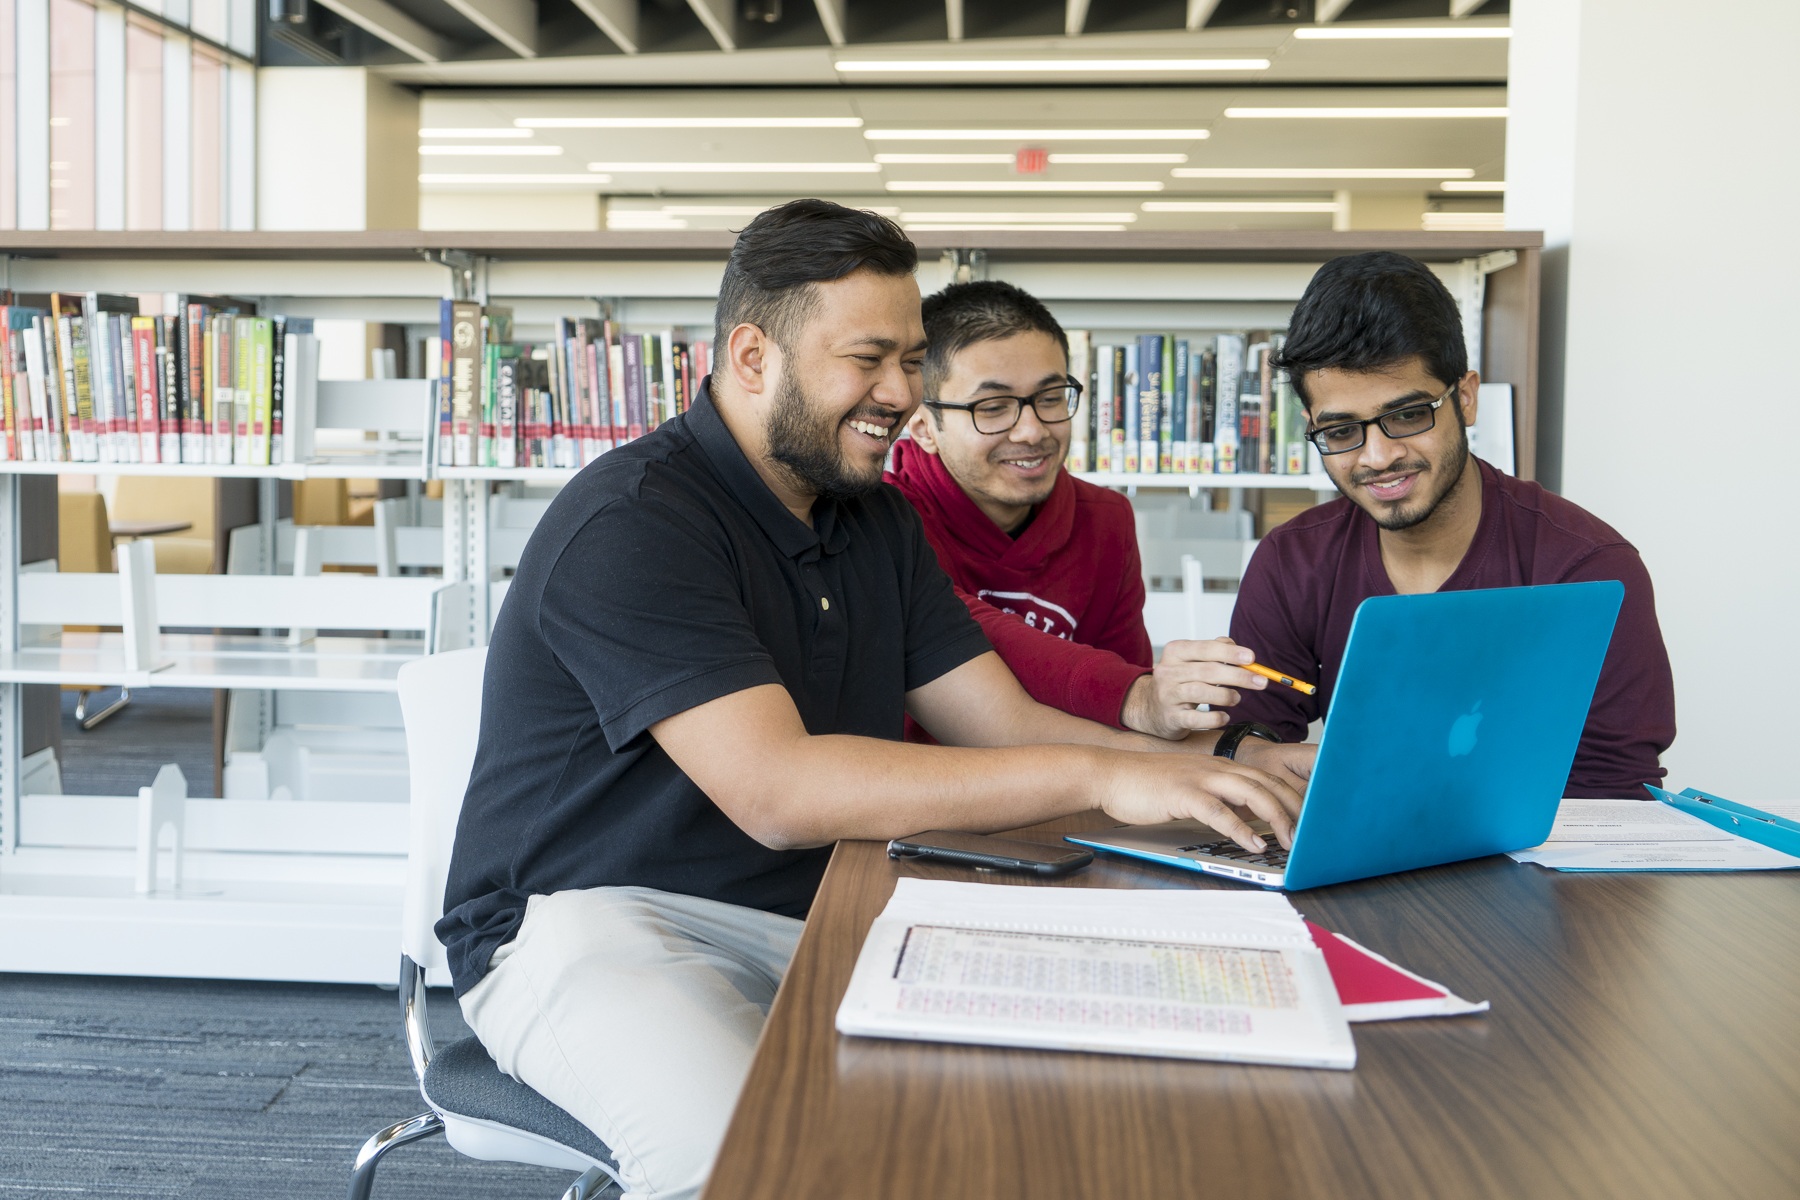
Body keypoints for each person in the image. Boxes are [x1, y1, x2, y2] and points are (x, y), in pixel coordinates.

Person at [436, 200, 1314, 1200]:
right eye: (871, 359)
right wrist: (1107, 774)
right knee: (743, 1165)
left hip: (826, 911)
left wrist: (1214, 773)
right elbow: (780, 791)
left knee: (1050, 1094)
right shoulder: (636, 523)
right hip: (588, 923)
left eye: (910, 358)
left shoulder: (877, 521)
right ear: (754, 355)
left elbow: (1002, 723)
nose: (902, 391)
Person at [1229, 250, 1676, 797]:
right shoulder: (1290, 562)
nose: (1376, 456)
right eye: (1342, 430)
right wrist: (1248, 750)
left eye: (1407, 415)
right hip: (1353, 863)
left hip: (1532, 869)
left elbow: (1618, 792)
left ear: (1465, 398)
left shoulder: (1588, 568)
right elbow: (1249, 741)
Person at [888, 279, 1281, 741]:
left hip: (1073, 793)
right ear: (923, 427)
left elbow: (1132, 709)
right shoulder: (882, 519)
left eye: (1051, 398)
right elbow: (961, 629)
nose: (1033, 431)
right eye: (993, 408)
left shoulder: (1106, 518)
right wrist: (1134, 696)